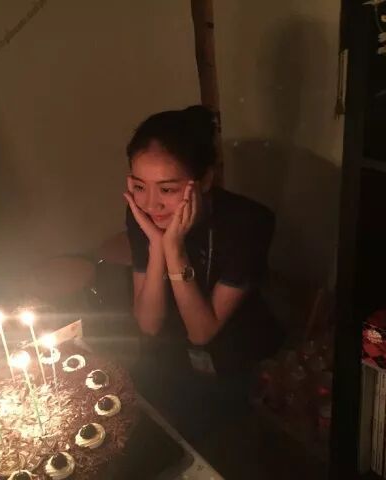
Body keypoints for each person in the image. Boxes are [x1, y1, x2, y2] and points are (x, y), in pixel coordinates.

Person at [124, 105, 285, 447]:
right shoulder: (141, 217)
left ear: (207, 179)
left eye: (167, 189)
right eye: (139, 186)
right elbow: (148, 323)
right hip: (173, 352)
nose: (151, 204)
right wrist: (156, 248)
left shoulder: (249, 222)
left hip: (237, 353)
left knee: (212, 440)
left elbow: (202, 332)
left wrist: (174, 250)